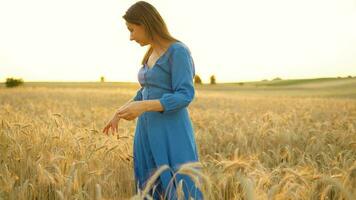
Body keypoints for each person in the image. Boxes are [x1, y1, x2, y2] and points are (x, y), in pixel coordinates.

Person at [102, 1, 204, 199]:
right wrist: (118, 113)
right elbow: (145, 91)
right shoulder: (149, 53)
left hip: (171, 131)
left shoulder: (178, 51)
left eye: (132, 30)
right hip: (146, 130)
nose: (130, 37)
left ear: (145, 23)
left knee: (180, 186)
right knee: (149, 185)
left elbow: (185, 95)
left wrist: (143, 107)